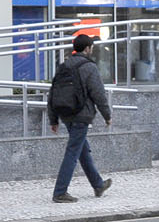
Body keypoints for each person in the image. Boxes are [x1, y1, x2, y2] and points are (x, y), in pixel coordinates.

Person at [47, 32, 113, 203]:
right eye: (91, 47)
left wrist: (53, 119)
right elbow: (98, 93)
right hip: (81, 115)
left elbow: (52, 93)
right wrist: (107, 115)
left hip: (65, 113)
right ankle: (60, 192)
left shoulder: (63, 66)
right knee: (73, 152)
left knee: (81, 150)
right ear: (87, 48)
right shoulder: (89, 67)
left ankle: (98, 185)